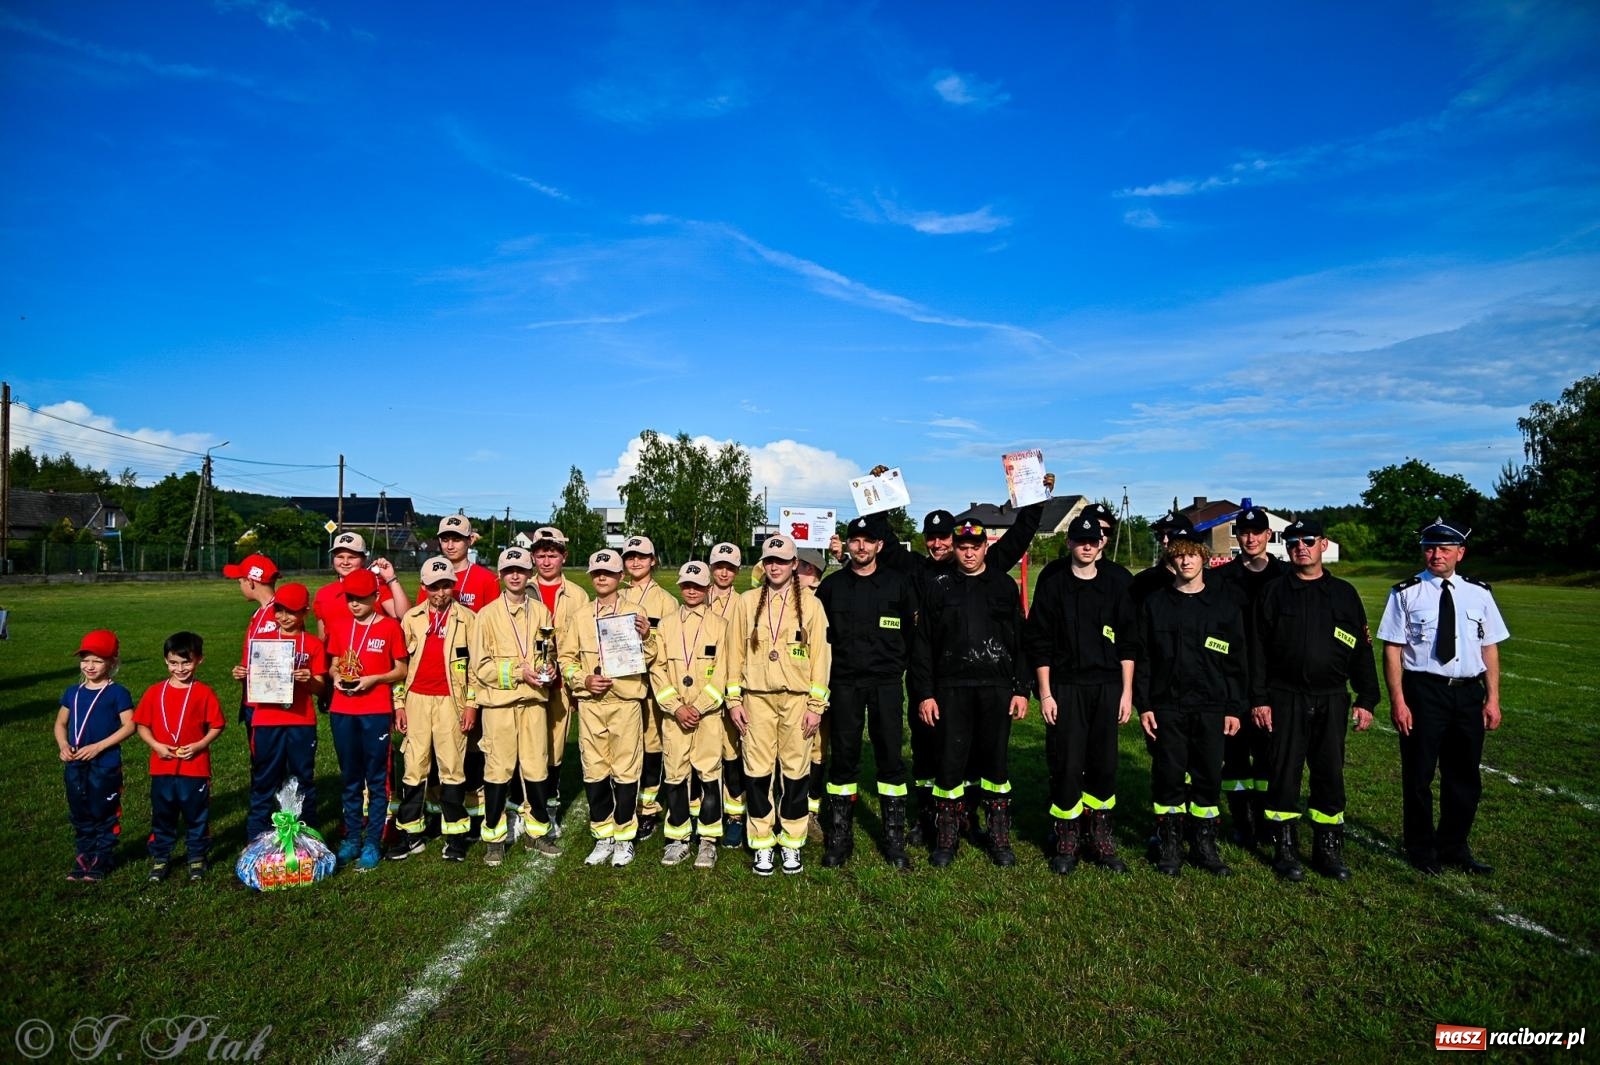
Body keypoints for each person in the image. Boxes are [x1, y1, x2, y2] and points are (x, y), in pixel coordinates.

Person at [1377, 517, 1508, 876]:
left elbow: (1490, 647)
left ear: (1460, 553)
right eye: (1429, 548)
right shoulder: (1405, 593)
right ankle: (1420, 848)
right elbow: (1392, 650)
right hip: (1424, 692)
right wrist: (1398, 700)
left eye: (1444, 549)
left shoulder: (1479, 593)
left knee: (1464, 775)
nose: (1436, 555)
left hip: (1467, 694)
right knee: (1419, 775)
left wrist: (1492, 698)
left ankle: (1454, 846)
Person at [1250, 519, 1379, 881]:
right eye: (1292, 541)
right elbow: (1256, 650)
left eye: (1308, 540)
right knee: (1283, 774)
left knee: (1329, 774)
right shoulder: (1273, 592)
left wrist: (1367, 696)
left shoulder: (1344, 594)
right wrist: (1259, 698)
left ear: (1323, 544)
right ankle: (1285, 848)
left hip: (1332, 698)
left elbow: (1361, 649)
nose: (1300, 546)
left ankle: (1328, 849)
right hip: (1284, 697)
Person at [912, 520, 1031, 868]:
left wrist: (1021, 689)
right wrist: (925, 694)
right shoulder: (940, 587)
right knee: (950, 763)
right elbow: (923, 646)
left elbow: (1021, 642)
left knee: (994, 762)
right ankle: (946, 838)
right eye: (962, 546)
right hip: (951, 689)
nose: (968, 552)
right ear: (956, 547)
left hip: (995, 688)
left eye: (975, 546)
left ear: (984, 548)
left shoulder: (1004, 586)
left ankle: (997, 835)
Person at [1025, 515, 1135, 874]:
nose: (1087, 546)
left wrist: (1127, 693)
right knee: (1068, 762)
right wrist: (1045, 693)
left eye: (1093, 540)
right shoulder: (1054, 581)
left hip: (1107, 687)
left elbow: (1129, 643)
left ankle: (1100, 835)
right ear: (1069, 543)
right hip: (1065, 686)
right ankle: (1067, 836)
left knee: (1104, 763)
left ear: (1101, 543)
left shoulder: (1118, 582)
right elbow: (1038, 640)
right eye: (1079, 540)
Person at [1135, 532, 1247, 877]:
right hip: (1168, 705)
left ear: (1205, 559)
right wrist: (1146, 705)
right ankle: (1170, 844)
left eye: (1192, 555)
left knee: (1208, 776)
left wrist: (1233, 707)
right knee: (1168, 775)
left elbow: (1237, 660)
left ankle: (1204, 845)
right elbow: (1144, 658)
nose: (1185, 561)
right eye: (1178, 556)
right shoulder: (1155, 604)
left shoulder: (1224, 605)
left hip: (1212, 705)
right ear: (1171, 560)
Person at [814, 515, 919, 869]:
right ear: (847, 544)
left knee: (890, 756)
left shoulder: (898, 584)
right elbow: (818, 637)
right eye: (854, 540)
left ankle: (893, 838)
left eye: (867, 540)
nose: (860, 546)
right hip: (844, 683)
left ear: (879, 545)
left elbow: (912, 632)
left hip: (887, 683)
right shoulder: (832, 587)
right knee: (844, 757)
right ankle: (840, 837)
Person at [724, 535, 832, 876]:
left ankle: (792, 842)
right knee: (756, 774)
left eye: (782, 561)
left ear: (793, 564)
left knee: (795, 774)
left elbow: (821, 658)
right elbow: (733, 654)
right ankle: (762, 844)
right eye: (770, 560)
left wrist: (816, 705)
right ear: (763, 563)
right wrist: (733, 699)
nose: (775, 566)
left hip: (797, 701)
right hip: (756, 700)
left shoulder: (811, 604)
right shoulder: (746, 601)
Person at [559, 550, 658, 868]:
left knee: (627, 773)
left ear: (620, 577)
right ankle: (603, 835)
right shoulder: (580, 615)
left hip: (626, 701)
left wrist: (647, 636)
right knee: (595, 772)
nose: (602, 577)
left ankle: (625, 838)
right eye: (597, 572)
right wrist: (583, 679)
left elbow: (652, 655)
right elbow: (566, 659)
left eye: (609, 572)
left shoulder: (635, 611)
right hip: (591, 705)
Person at [471, 547, 560, 866]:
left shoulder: (541, 612)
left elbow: (546, 652)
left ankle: (537, 832)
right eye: (509, 570)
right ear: (500, 575)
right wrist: (518, 672)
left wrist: (547, 669)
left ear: (528, 574)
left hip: (534, 704)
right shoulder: (486, 616)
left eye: (521, 570)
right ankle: (494, 837)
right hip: (500, 706)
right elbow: (480, 668)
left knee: (536, 768)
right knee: (497, 771)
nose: (515, 575)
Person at [391, 556, 479, 862]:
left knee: (452, 766)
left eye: (445, 586)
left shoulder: (468, 619)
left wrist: (471, 704)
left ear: (453, 585)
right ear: (424, 587)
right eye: (433, 587)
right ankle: (411, 833)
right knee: (414, 765)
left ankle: (455, 835)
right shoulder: (412, 618)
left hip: (451, 702)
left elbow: (475, 669)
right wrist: (399, 703)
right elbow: (400, 667)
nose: (440, 593)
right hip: (416, 699)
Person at [1212, 506, 1287, 848]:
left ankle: (1269, 819)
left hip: (1276, 679)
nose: (1251, 538)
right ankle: (1242, 819)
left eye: (1257, 532)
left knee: (1273, 754)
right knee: (1237, 755)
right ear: (1237, 536)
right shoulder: (1222, 579)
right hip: (1234, 677)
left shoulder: (1285, 577)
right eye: (1244, 532)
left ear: (1268, 535)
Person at [326, 568, 408, 872]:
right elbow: (335, 663)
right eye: (350, 599)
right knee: (349, 777)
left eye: (361, 599)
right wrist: (336, 677)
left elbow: (401, 669)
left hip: (374, 710)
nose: (354, 604)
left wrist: (374, 679)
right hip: (342, 710)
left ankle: (373, 840)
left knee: (375, 779)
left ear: (376, 597)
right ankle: (351, 839)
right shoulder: (339, 624)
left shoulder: (389, 627)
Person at [651, 561, 730, 869]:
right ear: (680, 586)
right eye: (687, 585)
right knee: (675, 776)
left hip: (707, 717)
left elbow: (723, 671)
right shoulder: (667, 625)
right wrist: (677, 707)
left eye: (698, 586)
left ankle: (708, 841)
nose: (692, 590)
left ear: (709, 588)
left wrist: (698, 707)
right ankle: (677, 838)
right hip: (675, 718)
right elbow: (656, 670)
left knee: (709, 776)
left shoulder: (721, 626)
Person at [236, 583, 326, 842]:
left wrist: (310, 680)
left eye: (292, 612)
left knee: (302, 778)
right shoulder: (262, 644)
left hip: (300, 720)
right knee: (265, 778)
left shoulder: (312, 644)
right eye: (279, 611)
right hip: (267, 720)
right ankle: (256, 837)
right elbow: (253, 678)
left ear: (305, 613)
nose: (284, 617)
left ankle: (307, 835)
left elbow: (321, 689)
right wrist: (242, 675)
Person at [134, 632, 226, 883]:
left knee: (197, 815)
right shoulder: (155, 692)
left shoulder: (204, 693)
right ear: (166, 661)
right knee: (163, 815)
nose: (180, 668)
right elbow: (141, 724)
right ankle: (161, 857)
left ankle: (196, 855)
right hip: (162, 767)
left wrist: (199, 745)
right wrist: (156, 746)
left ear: (199, 661)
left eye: (186, 662)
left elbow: (217, 725)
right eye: (174, 662)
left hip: (194, 768)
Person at [55, 630, 136, 882]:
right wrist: (63, 745)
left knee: (104, 810)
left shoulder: (117, 693)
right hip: (76, 763)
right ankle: (84, 855)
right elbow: (60, 723)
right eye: (85, 659)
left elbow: (130, 725)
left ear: (112, 662)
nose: (89, 666)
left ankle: (103, 856)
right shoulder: (73, 692)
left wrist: (99, 747)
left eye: (97, 660)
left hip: (105, 763)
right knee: (79, 811)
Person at [528, 526, 590, 837]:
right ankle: (524, 808)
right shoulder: (521, 588)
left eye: (552, 554)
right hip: (526, 683)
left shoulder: (577, 595)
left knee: (553, 749)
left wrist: (576, 686)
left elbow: (582, 643)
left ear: (563, 556)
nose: (547, 561)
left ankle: (549, 808)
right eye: (541, 555)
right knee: (525, 748)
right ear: (533, 557)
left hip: (561, 684)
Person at [620, 535, 676, 841]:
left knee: (652, 745)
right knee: (627, 744)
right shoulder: (616, 593)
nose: (635, 561)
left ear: (653, 560)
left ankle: (649, 808)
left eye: (642, 556)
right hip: (623, 684)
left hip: (651, 683)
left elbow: (668, 648)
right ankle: (625, 802)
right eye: (630, 556)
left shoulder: (666, 601)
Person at [223, 552, 279, 746]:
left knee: (266, 760)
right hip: (254, 698)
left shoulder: (279, 613)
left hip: (268, 704)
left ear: (251, 582)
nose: (240, 586)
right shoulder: (259, 613)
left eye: (240, 581)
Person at [796, 548, 831, 842]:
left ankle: (811, 812)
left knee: (817, 751)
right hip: (786, 689)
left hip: (818, 687)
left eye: (799, 566)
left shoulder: (825, 598)